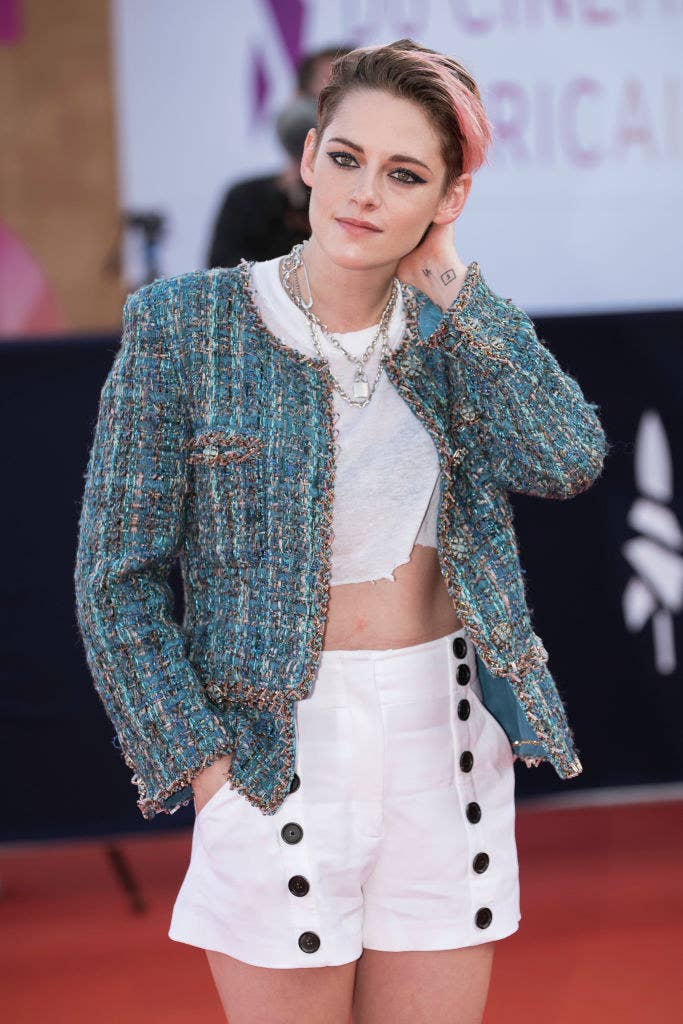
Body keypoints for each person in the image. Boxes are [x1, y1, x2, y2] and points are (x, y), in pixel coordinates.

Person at [74, 38, 608, 1024]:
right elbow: (116, 576)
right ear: (310, 153)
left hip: (440, 739)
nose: (365, 192)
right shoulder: (186, 328)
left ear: (446, 199)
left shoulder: (453, 334)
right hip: (273, 748)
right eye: (347, 156)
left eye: (404, 174)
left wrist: (451, 282)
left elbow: (566, 457)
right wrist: (202, 763)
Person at [206, 44, 352, 268]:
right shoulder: (247, 200)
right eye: (329, 96)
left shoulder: (368, 205)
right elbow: (224, 288)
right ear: (298, 102)